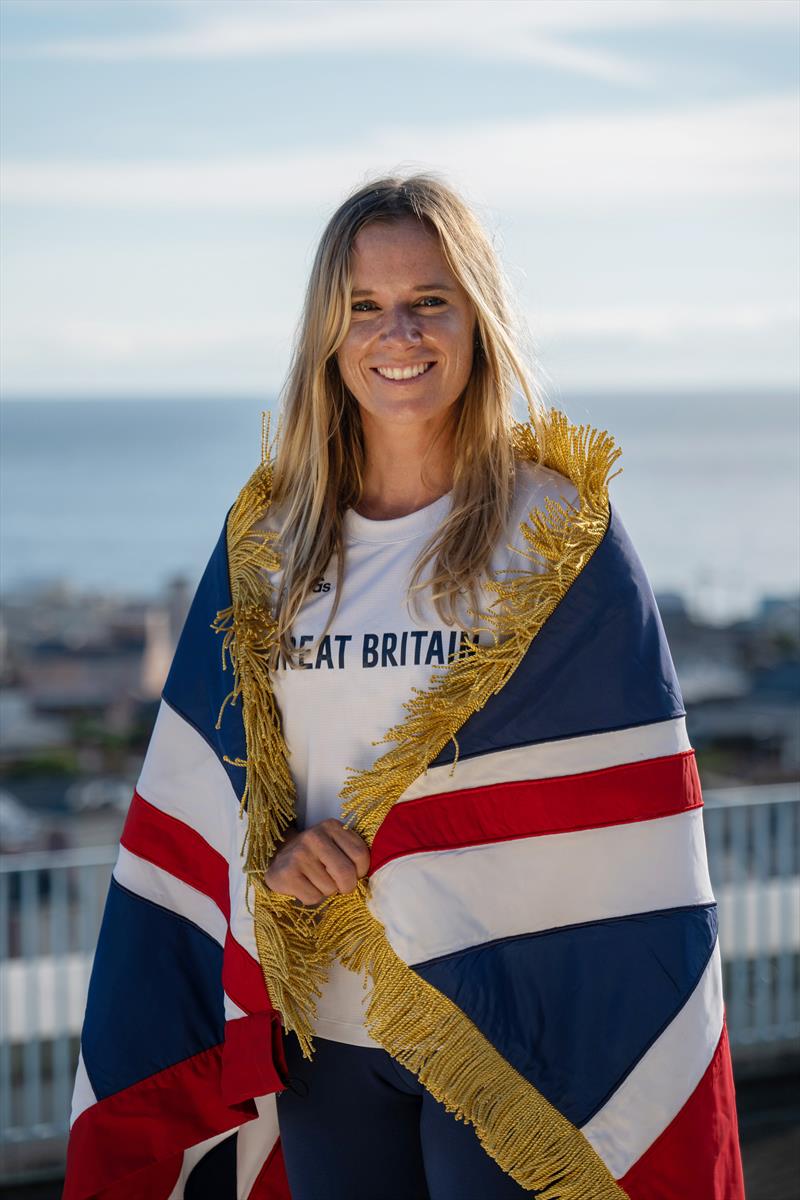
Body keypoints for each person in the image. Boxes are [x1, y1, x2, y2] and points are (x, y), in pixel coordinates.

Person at [64, 174, 745, 1200]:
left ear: (475, 316)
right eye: (364, 308)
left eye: (429, 300)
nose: (399, 334)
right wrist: (276, 859)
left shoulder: (554, 532)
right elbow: (218, 783)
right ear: (326, 337)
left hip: (511, 1025)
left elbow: (625, 802)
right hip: (326, 1029)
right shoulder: (270, 540)